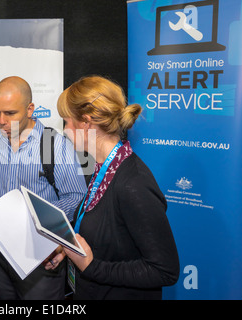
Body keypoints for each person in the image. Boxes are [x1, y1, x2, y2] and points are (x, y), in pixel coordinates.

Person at [54, 75, 180, 299]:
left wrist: (92, 266)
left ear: (86, 122)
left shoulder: (133, 184)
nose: (63, 130)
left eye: (66, 121)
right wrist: (68, 249)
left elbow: (164, 271)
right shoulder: (105, 168)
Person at [0, 76, 87, 300]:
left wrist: (38, 221)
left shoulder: (55, 145)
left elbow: (76, 197)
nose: (1, 121)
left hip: (40, 253)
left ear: (30, 109)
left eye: (10, 113)